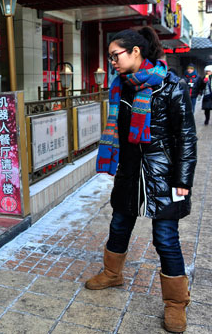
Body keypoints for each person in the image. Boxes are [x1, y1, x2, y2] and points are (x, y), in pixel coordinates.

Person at [88, 26, 197, 333]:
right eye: (110, 57)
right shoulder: (119, 87)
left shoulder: (171, 86)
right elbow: (119, 132)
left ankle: (176, 303)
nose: (112, 62)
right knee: (119, 224)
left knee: (165, 238)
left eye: (115, 55)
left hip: (164, 172)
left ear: (135, 52)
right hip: (130, 169)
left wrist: (183, 180)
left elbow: (186, 137)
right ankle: (112, 273)